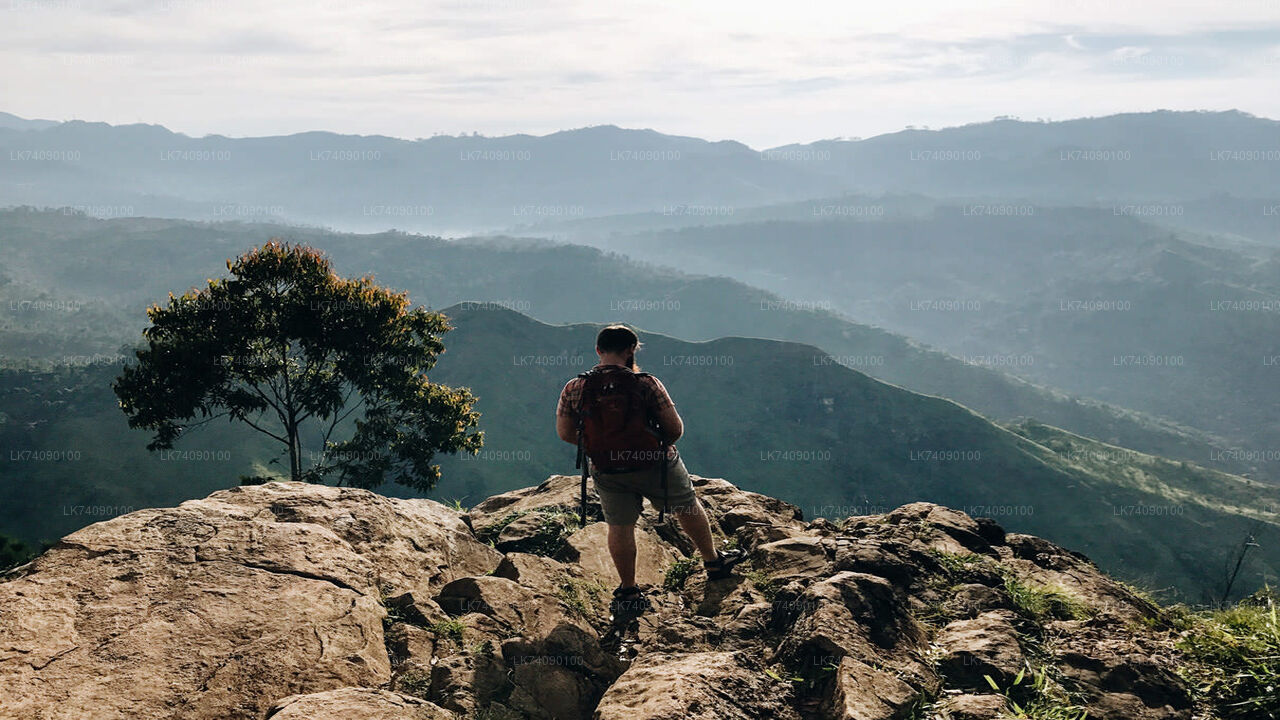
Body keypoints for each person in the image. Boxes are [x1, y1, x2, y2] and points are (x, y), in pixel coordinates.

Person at [556, 324, 745, 615]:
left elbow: (566, 433)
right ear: (631, 350)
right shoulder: (647, 383)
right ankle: (713, 561)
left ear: (598, 350)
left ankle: (628, 589)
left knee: (620, 526)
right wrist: (656, 448)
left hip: (607, 469)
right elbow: (675, 429)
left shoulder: (575, 387)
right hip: (655, 464)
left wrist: (600, 449)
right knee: (686, 505)